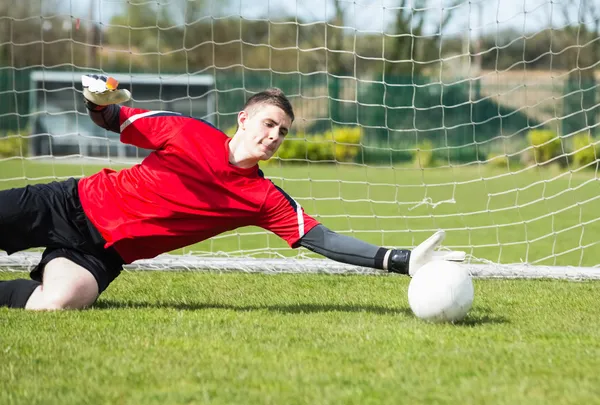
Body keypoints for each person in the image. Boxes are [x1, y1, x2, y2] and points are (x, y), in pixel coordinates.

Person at [0, 75, 465, 310]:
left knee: (56, 304)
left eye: (282, 132)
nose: (273, 136)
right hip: (71, 204)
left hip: (104, 254)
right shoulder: (184, 132)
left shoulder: (263, 199)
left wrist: (399, 259)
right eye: (268, 124)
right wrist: (97, 102)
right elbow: (110, 118)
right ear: (244, 119)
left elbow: (323, 239)